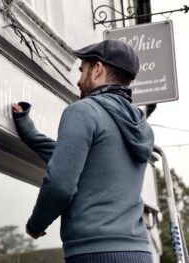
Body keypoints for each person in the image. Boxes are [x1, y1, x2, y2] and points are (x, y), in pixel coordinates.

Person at [12, 39, 154, 262]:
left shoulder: (84, 111)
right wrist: (28, 131)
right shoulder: (141, 126)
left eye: (82, 71)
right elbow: (77, 160)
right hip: (140, 252)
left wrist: (36, 224)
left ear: (98, 70)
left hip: (94, 253)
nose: (78, 81)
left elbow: (60, 183)